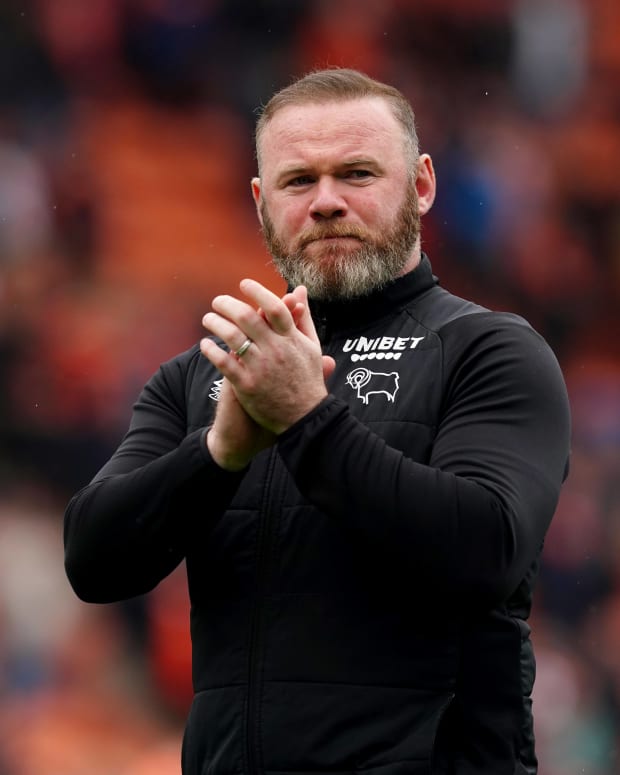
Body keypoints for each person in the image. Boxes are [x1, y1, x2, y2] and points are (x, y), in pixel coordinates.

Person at [64, 68, 571, 775]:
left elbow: (488, 547)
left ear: (421, 184)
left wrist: (306, 419)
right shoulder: (198, 374)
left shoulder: (490, 349)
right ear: (260, 201)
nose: (327, 201)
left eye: (357, 173)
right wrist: (219, 453)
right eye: (299, 181)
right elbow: (93, 558)